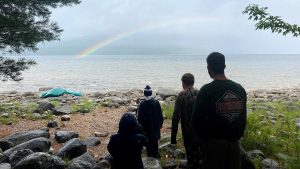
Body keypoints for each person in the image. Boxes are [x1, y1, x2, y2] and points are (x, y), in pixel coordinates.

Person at [192, 52, 247, 169]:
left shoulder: (207, 90)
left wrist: (204, 139)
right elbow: (243, 117)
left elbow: (196, 120)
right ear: (224, 66)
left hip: (213, 144)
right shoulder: (239, 89)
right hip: (235, 143)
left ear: (209, 68)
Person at [171, 73, 203, 169]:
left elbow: (175, 117)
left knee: (191, 156)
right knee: (200, 155)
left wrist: (173, 138)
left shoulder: (181, 95)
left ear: (183, 83)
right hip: (201, 131)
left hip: (188, 133)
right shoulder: (200, 93)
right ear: (193, 82)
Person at [138, 85, 164, 158]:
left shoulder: (142, 104)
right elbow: (160, 115)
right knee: (155, 142)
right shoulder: (156, 103)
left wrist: (140, 128)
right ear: (151, 93)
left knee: (148, 144)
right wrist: (160, 124)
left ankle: (150, 157)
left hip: (146, 129)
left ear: (144, 93)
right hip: (155, 127)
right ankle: (156, 154)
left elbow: (139, 118)